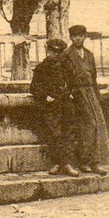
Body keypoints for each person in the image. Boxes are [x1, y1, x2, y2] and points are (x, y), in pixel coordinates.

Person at [60, 24, 109, 176]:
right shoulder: (66, 55)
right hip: (77, 94)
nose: (78, 38)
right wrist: (70, 93)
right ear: (70, 38)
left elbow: (93, 78)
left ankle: (95, 162)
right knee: (88, 125)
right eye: (75, 36)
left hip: (90, 93)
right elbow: (62, 77)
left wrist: (97, 96)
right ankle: (83, 161)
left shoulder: (89, 54)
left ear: (85, 37)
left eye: (81, 35)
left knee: (98, 126)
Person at [30, 38, 79, 176]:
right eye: (53, 51)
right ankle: (57, 163)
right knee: (55, 134)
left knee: (68, 133)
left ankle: (68, 164)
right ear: (48, 51)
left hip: (66, 105)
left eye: (59, 52)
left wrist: (71, 94)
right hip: (51, 106)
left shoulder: (67, 67)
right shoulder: (42, 67)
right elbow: (34, 87)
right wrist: (45, 96)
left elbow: (75, 84)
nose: (56, 55)